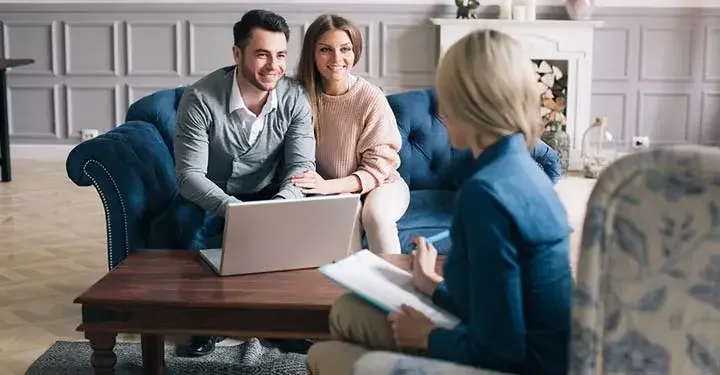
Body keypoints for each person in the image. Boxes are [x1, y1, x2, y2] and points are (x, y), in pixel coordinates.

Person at [305, 29, 573, 375]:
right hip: (534, 348)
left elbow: (503, 348)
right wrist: (433, 287)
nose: (442, 111)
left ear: (470, 103)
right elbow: (500, 302)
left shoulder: (486, 194)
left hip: (523, 365)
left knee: (323, 357)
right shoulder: (520, 167)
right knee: (347, 311)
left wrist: (428, 337)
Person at [173, 9, 315, 357]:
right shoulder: (200, 99)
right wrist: (234, 210)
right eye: (262, 54)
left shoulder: (295, 97)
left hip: (270, 195)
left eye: (280, 55)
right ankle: (204, 326)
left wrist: (279, 206)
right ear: (237, 54)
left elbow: (302, 166)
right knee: (187, 233)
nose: (273, 66)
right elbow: (190, 176)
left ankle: (282, 325)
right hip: (211, 195)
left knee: (297, 236)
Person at [292, 14, 410, 254]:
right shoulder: (299, 95)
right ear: (312, 54)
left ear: (355, 52)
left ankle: (394, 289)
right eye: (326, 49)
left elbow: (377, 169)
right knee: (346, 214)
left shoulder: (370, 97)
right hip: (328, 187)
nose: (337, 59)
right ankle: (351, 286)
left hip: (382, 182)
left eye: (345, 49)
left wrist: (327, 186)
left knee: (376, 216)